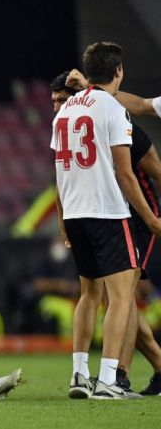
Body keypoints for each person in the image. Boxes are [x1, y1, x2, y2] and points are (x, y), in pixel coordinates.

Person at [51, 42, 161, 399]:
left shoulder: (64, 109)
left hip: (75, 212)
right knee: (121, 298)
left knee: (88, 295)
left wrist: (63, 217)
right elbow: (126, 176)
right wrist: (151, 219)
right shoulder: (112, 109)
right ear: (118, 72)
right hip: (107, 213)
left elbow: (59, 170)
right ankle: (110, 380)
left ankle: (80, 374)